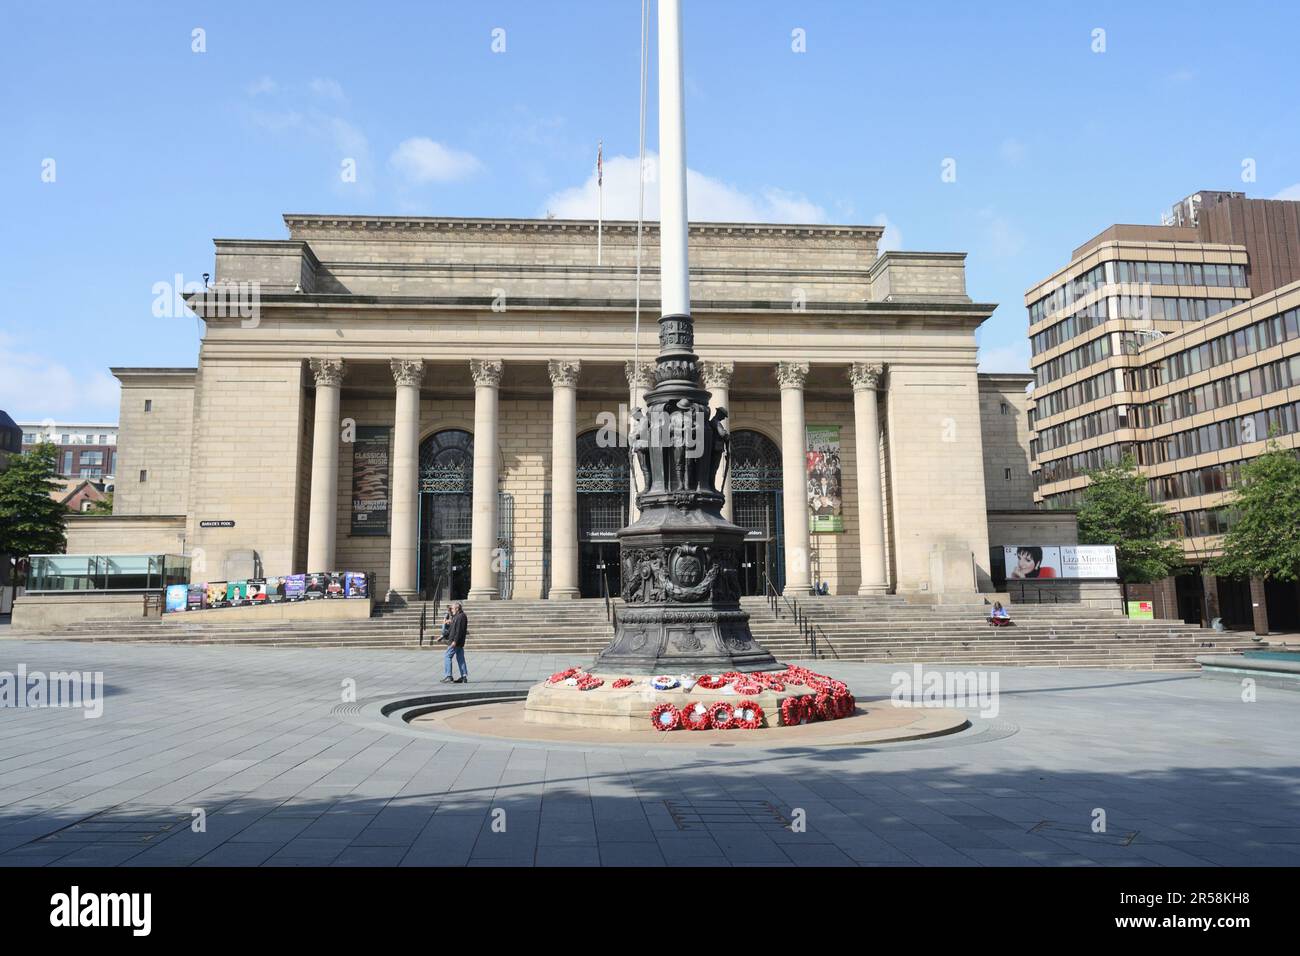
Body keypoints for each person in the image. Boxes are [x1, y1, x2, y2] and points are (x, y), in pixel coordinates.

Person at [440, 602, 469, 684]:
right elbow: (451, 629)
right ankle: (463, 676)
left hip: (456, 642)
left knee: (447, 656)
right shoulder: (456, 616)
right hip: (458, 642)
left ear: (457, 608)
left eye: (452, 608)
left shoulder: (461, 616)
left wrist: (455, 641)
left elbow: (459, 630)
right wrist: (443, 636)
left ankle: (449, 676)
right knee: (460, 658)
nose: (451, 610)